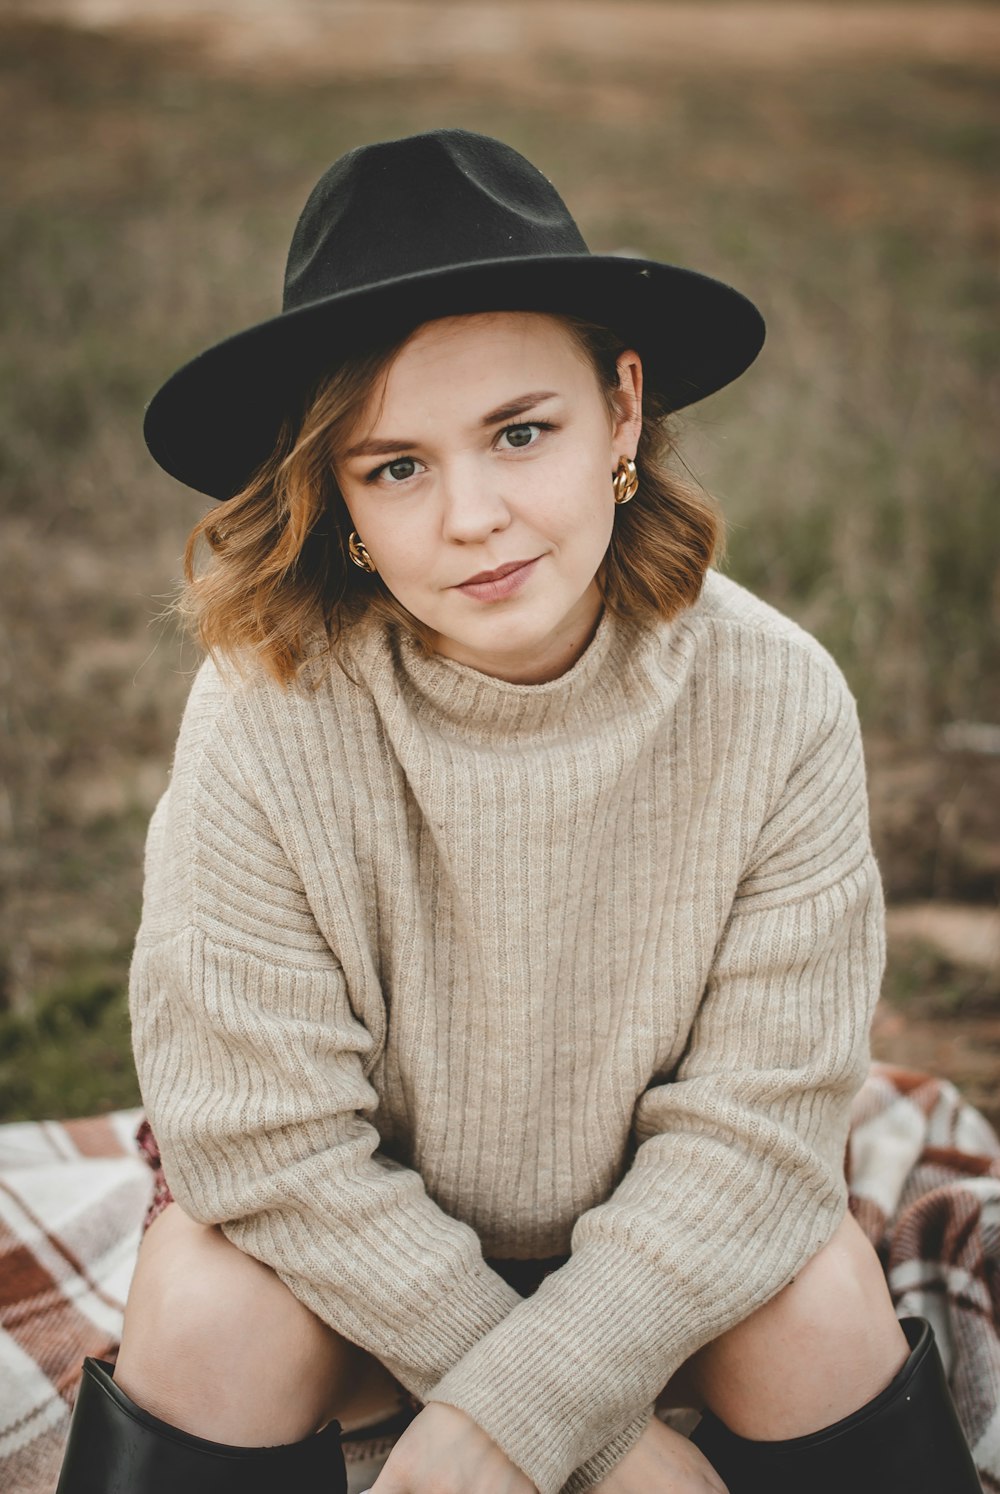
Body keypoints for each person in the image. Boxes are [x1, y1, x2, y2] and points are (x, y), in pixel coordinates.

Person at [54, 129, 980, 1494]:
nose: (474, 515)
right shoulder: (270, 709)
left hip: (672, 1270)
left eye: (520, 432)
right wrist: (594, 1445)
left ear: (620, 411)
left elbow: (760, 1134)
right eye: (398, 466)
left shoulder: (775, 697)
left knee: (823, 1294)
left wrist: (512, 1416)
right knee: (202, 1298)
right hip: (362, 1271)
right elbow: (264, 1136)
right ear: (343, 503)